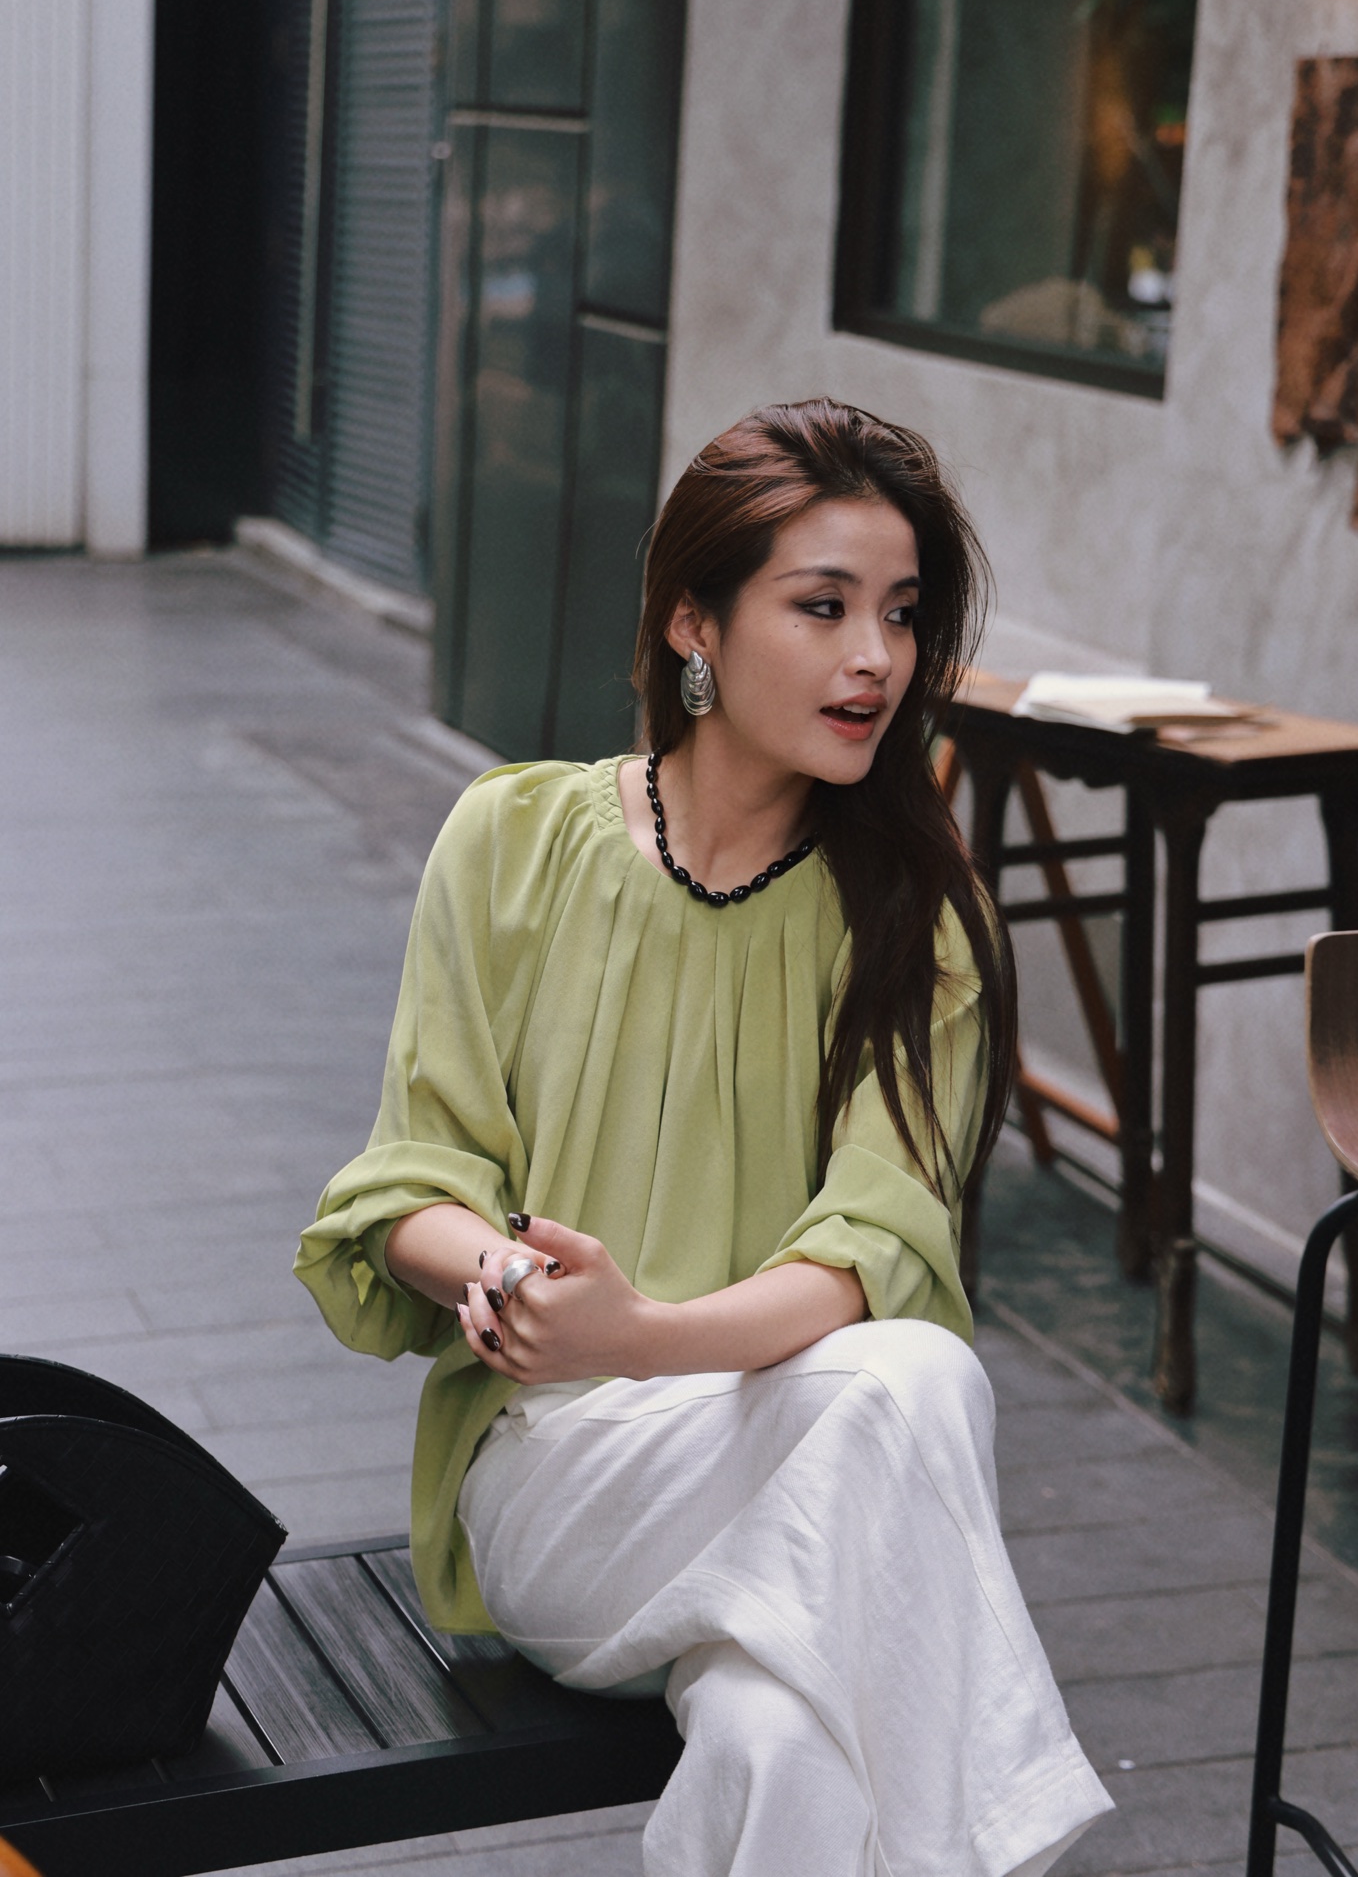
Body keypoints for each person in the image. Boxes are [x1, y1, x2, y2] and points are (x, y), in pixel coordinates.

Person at [296, 399, 1112, 1876]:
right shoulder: (511, 842)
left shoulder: (918, 922)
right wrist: (527, 1290)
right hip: (561, 1479)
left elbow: (869, 1255)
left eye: (902, 614)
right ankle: (1013, 1835)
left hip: (797, 1453)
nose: (877, 658)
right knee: (915, 1385)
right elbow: (411, 1182)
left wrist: (647, 1333)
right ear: (695, 623)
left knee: (781, 1739)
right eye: (824, 606)